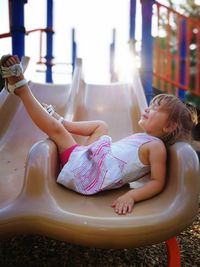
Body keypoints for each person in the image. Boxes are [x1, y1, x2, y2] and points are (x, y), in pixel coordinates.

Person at [0, 55, 197, 215]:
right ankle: (62, 121)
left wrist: (131, 196)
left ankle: (22, 89)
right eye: (151, 104)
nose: (148, 108)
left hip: (86, 173)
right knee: (101, 126)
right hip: (91, 162)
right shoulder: (146, 140)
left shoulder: (156, 147)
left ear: (169, 126)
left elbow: (157, 182)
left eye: (156, 108)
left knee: (56, 131)